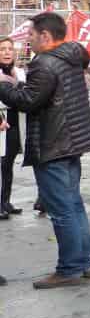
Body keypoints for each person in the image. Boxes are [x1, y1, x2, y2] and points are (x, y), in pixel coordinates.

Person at [0, 11, 90, 288]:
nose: (28, 41)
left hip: (53, 144)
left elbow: (29, 100)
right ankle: (83, 263)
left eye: (31, 35)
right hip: (70, 142)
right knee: (74, 206)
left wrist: (2, 87)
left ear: (45, 36)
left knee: (62, 210)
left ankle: (69, 268)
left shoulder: (44, 63)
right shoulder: (70, 56)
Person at [0, 36, 25, 217]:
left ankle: (5, 201)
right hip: (2, 121)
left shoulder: (20, 73)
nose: (7, 52)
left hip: (16, 121)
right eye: (2, 49)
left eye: (9, 49)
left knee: (8, 163)